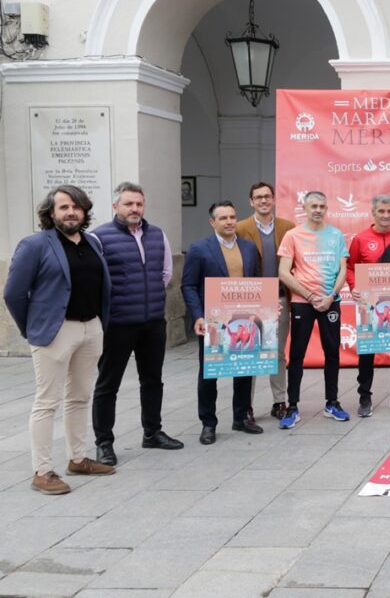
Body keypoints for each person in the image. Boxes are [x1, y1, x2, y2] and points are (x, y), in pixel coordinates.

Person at [4, 186, 116, 494]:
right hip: (55, 331)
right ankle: (42, 471)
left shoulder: (92, 242)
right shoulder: (35, 245)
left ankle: (78, 459)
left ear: (84, 211)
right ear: (51, 213)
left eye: (77, 207)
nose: (71, 212)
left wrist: (99, 325)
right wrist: (33, 328)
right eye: (64, 207)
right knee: (47, 401)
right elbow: (13, 293)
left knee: (80, 396)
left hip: (91, 328)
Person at [91, 182, 183, 466]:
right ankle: (104, 443)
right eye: (129, 204)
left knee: (153, 380)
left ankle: (152, 432)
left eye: (139, 204)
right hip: (117, 324)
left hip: (153, 321)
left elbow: (166, 272)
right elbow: (98, 280)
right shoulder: (98, 237)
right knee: (108, 384)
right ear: (115, 206)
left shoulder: (157, 235)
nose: (135, 209)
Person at [181, 201, 264, 445]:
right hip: (213, 321)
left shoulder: (249, 248)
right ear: (212, 222)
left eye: (232, 216)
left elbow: (256, 282)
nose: (229, 222)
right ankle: (208, 423)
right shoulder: (198, 249)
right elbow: (188, 285)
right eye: (223, 218)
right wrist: (197, 315)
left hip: (243, 319)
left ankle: (241, 417)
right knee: (209, 373)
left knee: (244, 368)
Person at [277, 191, 349, 429]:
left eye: (322, 206)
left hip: (330, 302)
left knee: (332, 353)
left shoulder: (336, 235)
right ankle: (293, 406)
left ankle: (332, 403)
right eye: (313, 206)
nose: (318, 210)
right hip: (302, 303)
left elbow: (342, 270)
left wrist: (331, 296)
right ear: (305, 209)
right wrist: (309, 295)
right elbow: (283, 272)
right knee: (297, 354)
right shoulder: (293, 235)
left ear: (326, 208)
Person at [349, 195, 390, 416]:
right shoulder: (360, 239)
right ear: (373, 213)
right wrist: (353, 287)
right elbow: (350, 268)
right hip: (369, 305)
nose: (386, 215)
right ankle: (365, 398)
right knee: (367, 352)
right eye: (382, 211)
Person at [236, 181, 295, 420]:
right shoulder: (239, 228)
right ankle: (245, 406)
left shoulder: (288, 227)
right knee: (249, 353)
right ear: (251, 202)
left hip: (280, 297)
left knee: (277, 353)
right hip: (250, 300)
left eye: (267, 196)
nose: (263, 201)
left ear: (273, 200)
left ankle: (279, 401)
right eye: (258, 197)